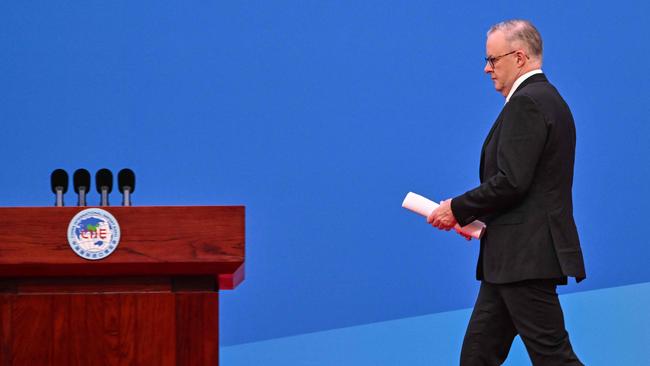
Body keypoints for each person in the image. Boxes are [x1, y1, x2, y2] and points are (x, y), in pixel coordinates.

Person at [427, 19, 586, 365]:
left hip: (523, 260)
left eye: (492, 59)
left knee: (554, 358)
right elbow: (527, 186)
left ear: (519, 57)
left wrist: (457, 208)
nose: (486, 68)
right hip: (509, 261)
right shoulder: (547, 99)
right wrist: (481, 221)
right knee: (476, 358)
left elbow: (512, 181)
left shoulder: (527, 103)